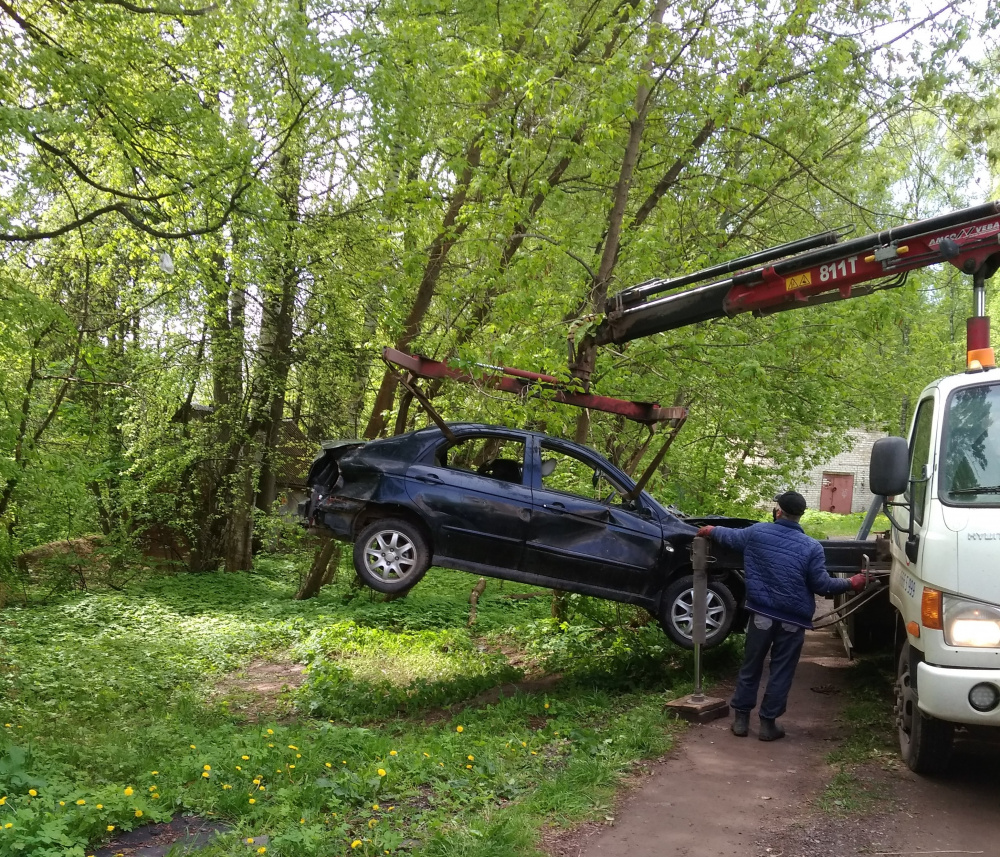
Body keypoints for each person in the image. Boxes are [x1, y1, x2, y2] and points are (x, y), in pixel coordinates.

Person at [695, 491, 867, 741]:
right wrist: (852, 582)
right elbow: (822, 584)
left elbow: (729, 536)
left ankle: (741, 721)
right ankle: (767, 725)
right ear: (800, 516)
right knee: (781, 671)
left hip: (761, 615)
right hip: (792, 621)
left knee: (751, 666)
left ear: (778, 512)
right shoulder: (812, 547)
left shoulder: (756, 533)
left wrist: (710, 530)